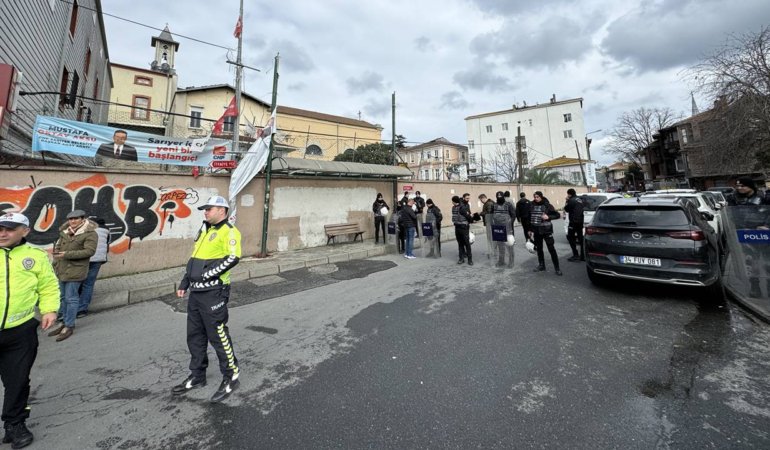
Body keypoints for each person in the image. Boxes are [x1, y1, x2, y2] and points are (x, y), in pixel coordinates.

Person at [173, 195, 242, 402]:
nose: (205, 212)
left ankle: (231, 376)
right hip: (196, 293)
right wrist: (186, 281)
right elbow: (194, 259)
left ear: (222, 210)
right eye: (205, 209)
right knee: (195, 335)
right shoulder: (205, 230)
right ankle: (197, 375)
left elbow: (233, 257)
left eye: (209, 209)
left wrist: (205, 275)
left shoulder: (229, 231)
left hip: (214, 292)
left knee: (218, 335)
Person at [0, 213, 60, 449]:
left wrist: (49, 310)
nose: (2, 233)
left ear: (24, 231)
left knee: (17, 381)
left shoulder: (35, 256)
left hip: (20, 332)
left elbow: (48, 285)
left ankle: (14, 425)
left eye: (9, 229)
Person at [48, 209, 97, 342]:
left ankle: (69, 326)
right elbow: (58, 246)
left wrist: (66, 254)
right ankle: (63, 322)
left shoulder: (90, 233)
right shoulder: (65, 232)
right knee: (63, 297)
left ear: (83, 219)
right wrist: (56, 257)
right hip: (62, 269)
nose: (73, 221)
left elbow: (89, 251)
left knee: (71, 298)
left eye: (76, 218)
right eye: (70, 219)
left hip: (76, 270)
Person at [77, 218, 110, 318]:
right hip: (98, 259)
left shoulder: (85, 228)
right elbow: (107, 245)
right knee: (89, 284)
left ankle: (72, 306)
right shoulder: (107, 231)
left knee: (77, 281)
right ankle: (82, 309)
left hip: (84, 258)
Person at [529, 191, 562, 276]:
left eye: (537, 197)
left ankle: (557, 268)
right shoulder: (532, 205)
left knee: (551, 249)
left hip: (546, 230)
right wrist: (530, 229)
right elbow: (530, 218)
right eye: (535, 197)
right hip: (536, 230)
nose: (536, 199)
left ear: (541, 197)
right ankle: (541, 265)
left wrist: (548, 217)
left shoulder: (547, 205)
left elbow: (558, 215)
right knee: (539, 249)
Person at [490, 191, 516, 267]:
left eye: (500, 196)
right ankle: (501, 261)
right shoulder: (494, 205)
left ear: (503, 196)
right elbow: (491, 216)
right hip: (498, 228)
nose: (499, 197)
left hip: (507, 227)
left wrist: (510, 223)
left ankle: (511, 261)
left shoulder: (508, 205)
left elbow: (513, 215)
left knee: (509, 245)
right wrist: (492, 224)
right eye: (498, 196)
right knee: (500, 245)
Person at [452, 193, 474, 265]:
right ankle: (461, 258)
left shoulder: (462, 208)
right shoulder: (453, 207)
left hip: (464, 227)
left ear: (454, 201)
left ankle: (470, 260)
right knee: (460, 244)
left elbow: (468, 217)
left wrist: (471, 220)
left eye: (452, 201)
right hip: (457, 227)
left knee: (467, 243)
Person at [564, 188, 585, 262]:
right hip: (580, 222)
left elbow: (566, 209)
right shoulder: (580, 199)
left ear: (569, 194)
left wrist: (567, 200)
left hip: (573, 222)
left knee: (570, 238)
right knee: (580, 238)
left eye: (568, 194)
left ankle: (575, 255)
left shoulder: (571, 200)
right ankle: (583, 256)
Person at [478, 194, 496, 260]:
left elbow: (489, 213)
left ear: (483, 198)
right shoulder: (488, 203)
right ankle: (493, 251)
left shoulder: (489, 204)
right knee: (491, 238)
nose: (481, 201)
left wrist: (480, 213)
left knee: (491, 238)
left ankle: (493, 252)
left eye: (480, 200)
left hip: (490, 223)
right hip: (490, 223)